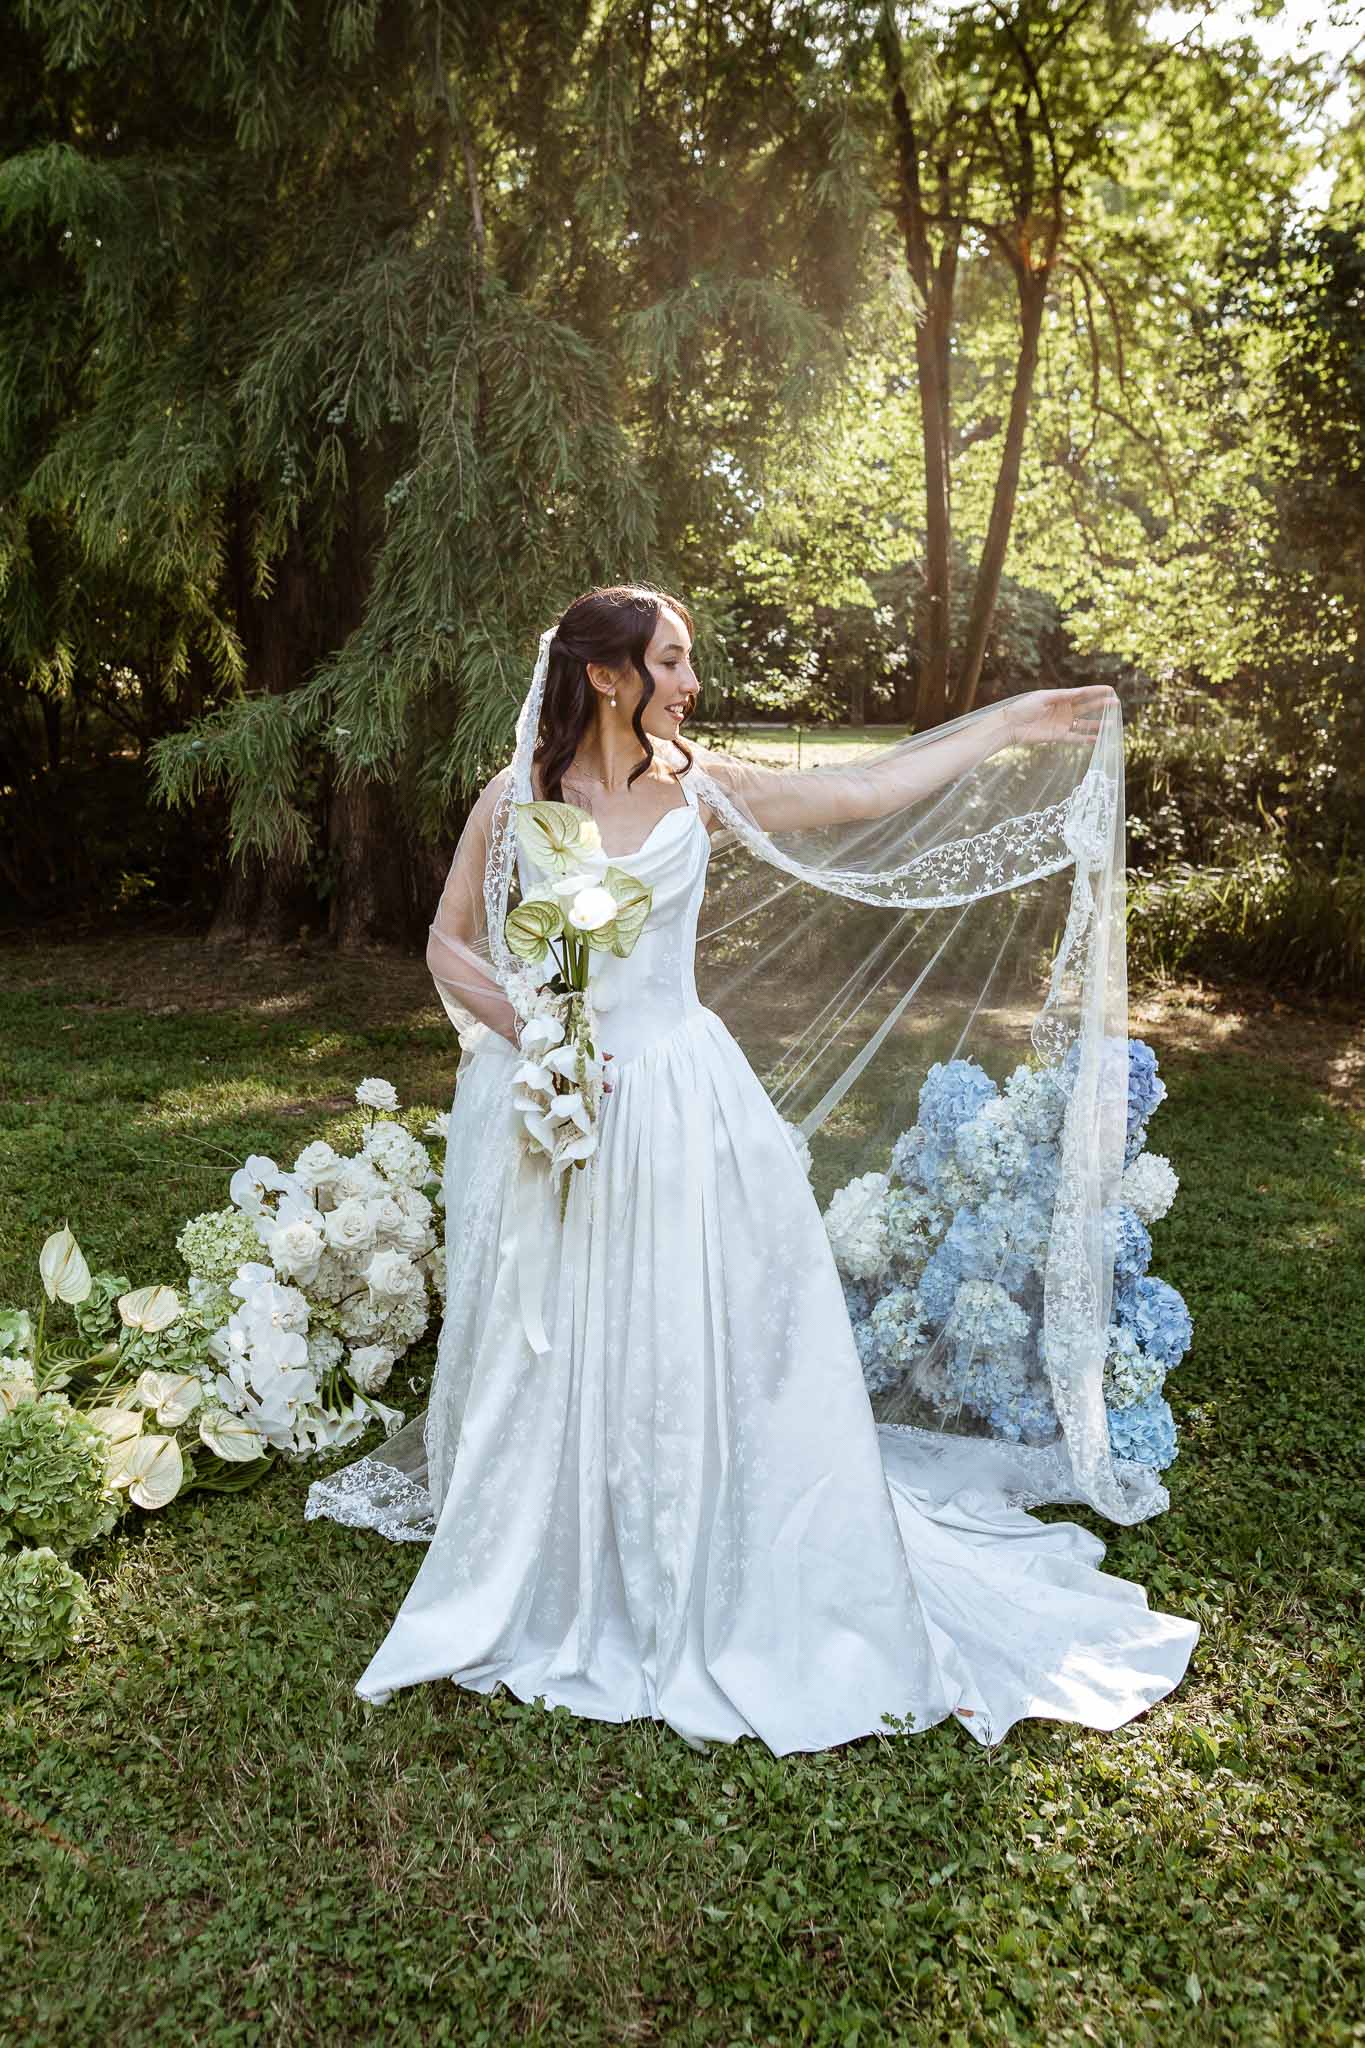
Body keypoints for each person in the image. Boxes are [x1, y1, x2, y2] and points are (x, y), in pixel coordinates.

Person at [307, 583, 1198, 1755]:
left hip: (682, 1100)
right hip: (563, 1110)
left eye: (688, 663)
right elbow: (449, 940)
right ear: (611, 675)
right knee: (563, 1326)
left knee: (698, 1324)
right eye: (670, 662)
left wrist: (1011, 719)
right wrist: (542, 1039)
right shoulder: (519, 795)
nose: (689, 683)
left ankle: (700, 1513)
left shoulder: (702, 786)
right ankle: (570, 1527)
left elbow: (866, 790)